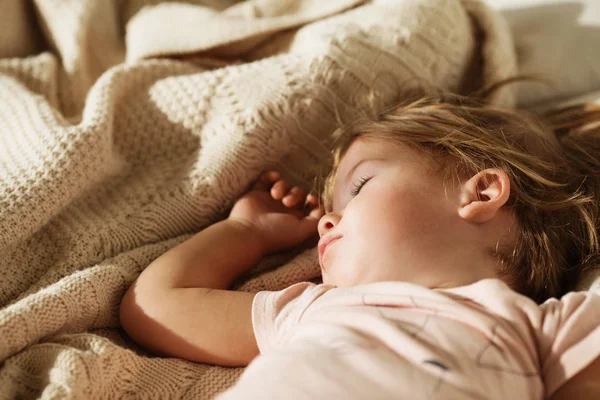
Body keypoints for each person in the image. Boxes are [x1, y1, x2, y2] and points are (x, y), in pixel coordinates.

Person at [119, 86, 600, 399]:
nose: (326, 219)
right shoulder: (313, 309)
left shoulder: (544, 333)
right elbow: (157, 306)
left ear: (481, 192)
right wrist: (246, 233)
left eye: (361, 186)